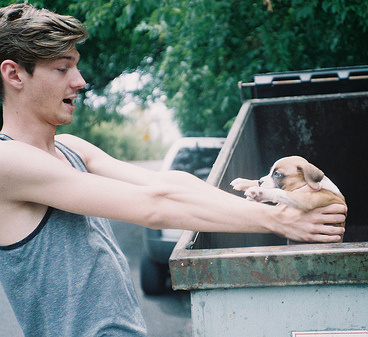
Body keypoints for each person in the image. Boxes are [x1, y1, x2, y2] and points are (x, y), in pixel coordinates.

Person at [0, 3, 347, 336]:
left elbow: (170, 182)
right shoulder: (8, 161)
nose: (80, 81)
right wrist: (277, 221)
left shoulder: (70, 147)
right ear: (14, 74)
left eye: (75, 66)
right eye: (63, 68)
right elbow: (154, 204)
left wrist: (274, 207)